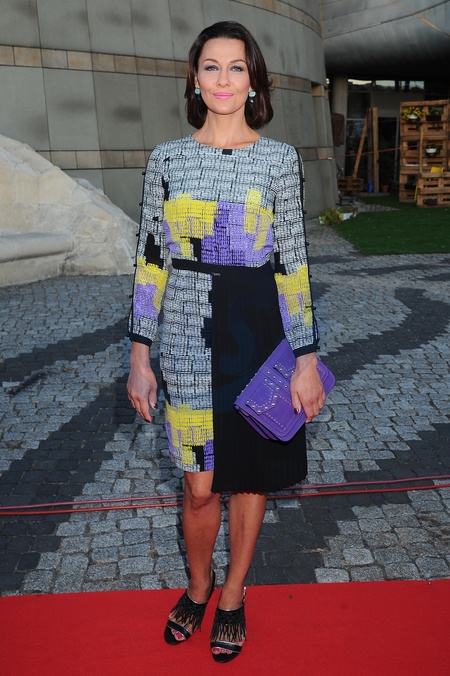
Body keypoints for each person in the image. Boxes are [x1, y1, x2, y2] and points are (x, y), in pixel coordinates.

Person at [127, 20, 326, 664]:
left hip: (256, 329)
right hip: (187, 333)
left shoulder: (279, 160)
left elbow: (292, 262)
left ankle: (233, 595)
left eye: (236, 67)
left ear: (253, 81)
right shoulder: (167, 160)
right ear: (194, 79)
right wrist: (139, 355)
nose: (222, 79)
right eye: (210, 66)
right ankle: (199, 584)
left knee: (250, 479)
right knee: (200, 485)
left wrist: (306, 360)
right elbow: (150, 260)